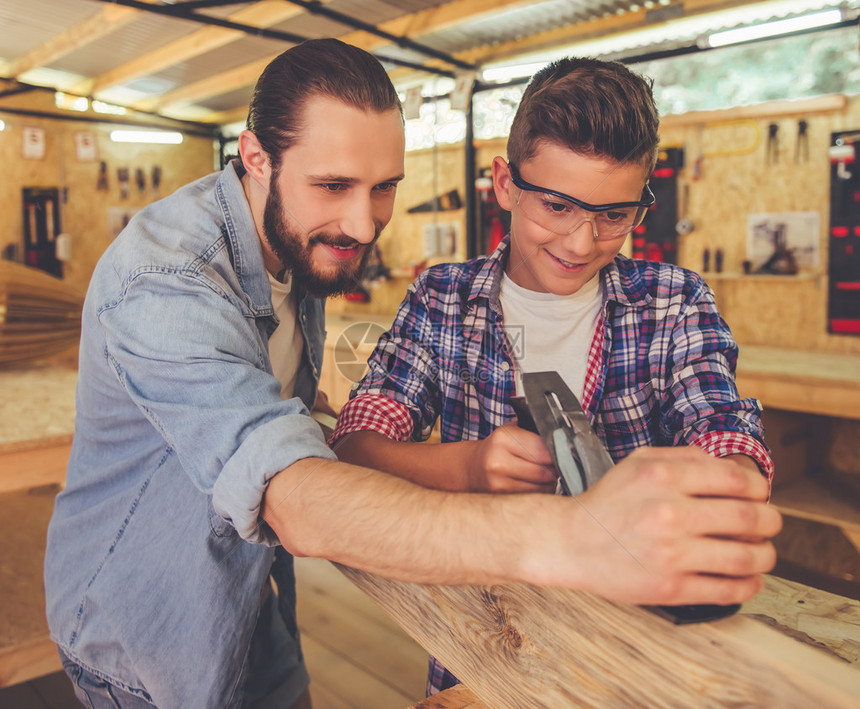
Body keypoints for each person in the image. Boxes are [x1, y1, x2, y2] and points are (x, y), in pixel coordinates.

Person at [45, 40, 780, 709]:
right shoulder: (166, 279)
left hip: (249, 596)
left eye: (383, 187)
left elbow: (724, 432)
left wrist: (724, 493)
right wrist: (560, 520)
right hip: (146, 629)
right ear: (255, 156)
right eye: (334, 184)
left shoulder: (296, 241)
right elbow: (298, 492)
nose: (365, 227)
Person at [329, 57, 777, 695]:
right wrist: (471, 468)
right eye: (558, 207)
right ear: (506, 184)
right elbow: (355, 447)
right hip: (479, 643)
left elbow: (722, 426)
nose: (580, 242)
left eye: (614, 216)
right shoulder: (442, 299)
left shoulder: (673, 301)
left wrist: (728, 484)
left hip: (635, 649)